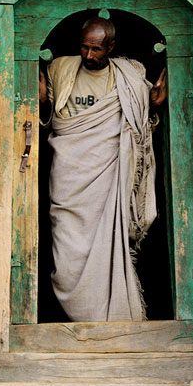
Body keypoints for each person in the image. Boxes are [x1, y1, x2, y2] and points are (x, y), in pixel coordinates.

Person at [39, 17, 166, 322]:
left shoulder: (131, 74)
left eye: (96, 49)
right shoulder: (60, 69)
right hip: (69, 176)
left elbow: (139, 121)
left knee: (113, 239)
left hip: (112, 177)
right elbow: (50, 116)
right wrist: (42, 102)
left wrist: (155, 105)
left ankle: (114, 316)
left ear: (111, 46)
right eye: (84, 47)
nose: (89, 55)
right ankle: (80, 316)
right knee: (67, 251)